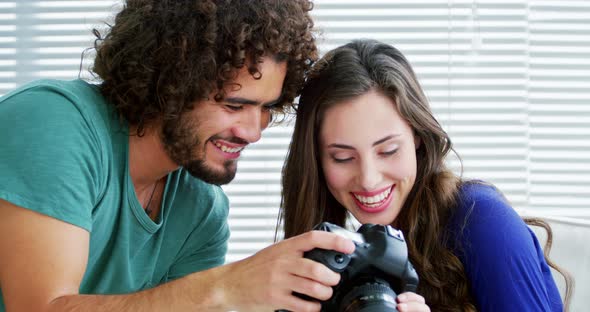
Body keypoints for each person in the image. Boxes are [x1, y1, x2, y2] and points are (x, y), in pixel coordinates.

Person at [0, 1, 357, 311]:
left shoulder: (202, 210)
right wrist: (226, 287)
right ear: (171, 82)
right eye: (234, 105)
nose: (253, 131)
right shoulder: (53, 122)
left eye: (267, 107)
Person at [280, 39, 573, 311]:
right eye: (342, 157)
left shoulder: (481, 220)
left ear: (417, 136)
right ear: (316, 159)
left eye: (388, 150)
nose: (368, 179)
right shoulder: (342, 260)